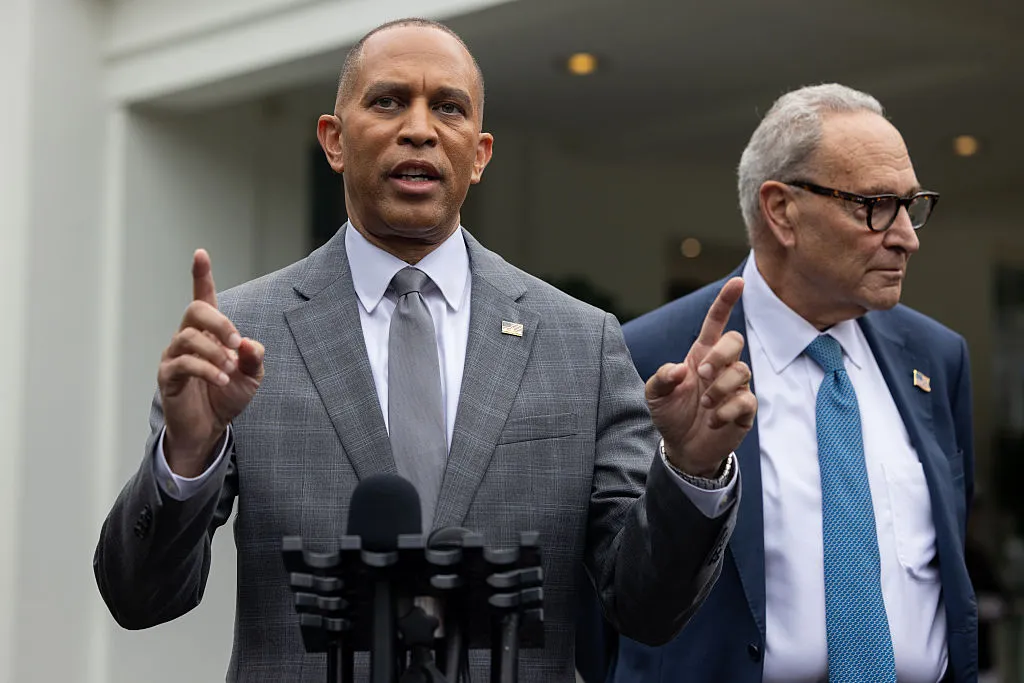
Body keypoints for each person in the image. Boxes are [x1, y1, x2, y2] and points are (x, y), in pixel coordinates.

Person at [93, 18, 758, 683]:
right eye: (387, 101)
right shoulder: (241, 337)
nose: (419, 128)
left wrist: (691, 468)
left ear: (480, 154)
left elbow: (646, 608)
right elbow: (140, 597)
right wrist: (187, 457)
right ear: (334, 140)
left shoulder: (580, 342)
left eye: (448, 107)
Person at [610, 84, 977, 682]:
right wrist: (690, 470)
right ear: (782, 210)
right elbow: (610, 601)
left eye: (912, 205)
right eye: (877, 205)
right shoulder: (648, 357)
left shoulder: (937, 359)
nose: (907, 237)